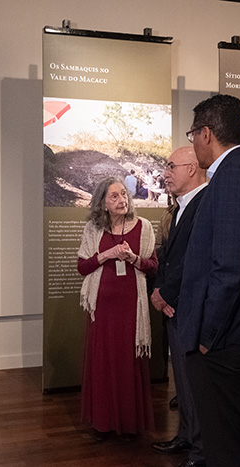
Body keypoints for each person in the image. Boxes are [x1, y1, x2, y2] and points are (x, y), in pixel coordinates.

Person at [176, 94, 240, 467]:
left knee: (227, 444)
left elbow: (230, 267)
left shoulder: (235, 175)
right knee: (231, 438)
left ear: (206, 133)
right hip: (238, 331)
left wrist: (208, 336)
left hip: (226, 337)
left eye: (192, 134)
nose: (192, 142)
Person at [77, 177, 158, 441]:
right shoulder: (93, 229)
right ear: (102, 203)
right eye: (114, 196)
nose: (122, 200)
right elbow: (83, 267)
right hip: (101, 308)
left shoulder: (143, 227)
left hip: (131, 307)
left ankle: (129, 423)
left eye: (124, 194)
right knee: (103, 363)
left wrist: (133, 258)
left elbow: (153, 266)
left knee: (127, 363)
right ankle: (103, 423)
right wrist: (107, 254)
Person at [149, 146, 207, 466]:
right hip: (175, 304)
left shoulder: (204, 203)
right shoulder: (181, 206)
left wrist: (167, 293)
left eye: (172, 166)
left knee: (195, 382)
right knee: (181, 379)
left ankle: (200, 450)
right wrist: (160, 288)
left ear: (193, 168)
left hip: (190, 306)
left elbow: (195, 260)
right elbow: (168, 257)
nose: (165, 172)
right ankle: (186, 434)